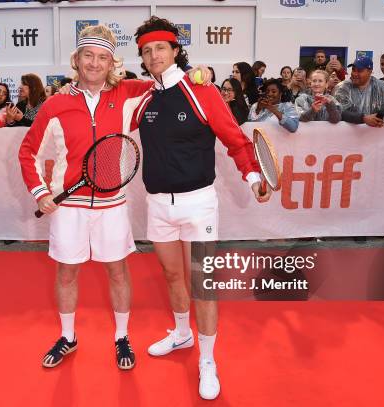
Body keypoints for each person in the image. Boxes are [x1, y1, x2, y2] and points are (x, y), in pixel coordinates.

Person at [132, 16, 271, 401]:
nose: (154, 54)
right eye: (146, 50)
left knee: (203, 284)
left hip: (198, 204)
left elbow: (235, 139)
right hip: (157, 204)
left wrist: (254, 177)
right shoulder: (142, 97)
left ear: (175, 50)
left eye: (160, 47)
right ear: (142, 58)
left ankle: (208, 360)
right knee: (172, 276)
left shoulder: (202, 91)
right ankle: (181, 334)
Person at [18, 24, 156, 373]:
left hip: (112, 204)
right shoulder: (55, 103)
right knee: (66, 274)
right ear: (76, 59)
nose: (95, 63)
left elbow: (166, 82)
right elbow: (27, 151)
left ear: (113, 63)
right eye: (88, 56)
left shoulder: (128, 93)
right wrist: (40, 192)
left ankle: (122, 336)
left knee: (118, 272)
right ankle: (68, 336)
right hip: (69, 206)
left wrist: (196, 76)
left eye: (103, 57)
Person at [335, 55, 384, 127]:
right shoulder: (343, 87)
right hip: (349, 134)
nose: (354, 74)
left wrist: (380, 118)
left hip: (374, 134)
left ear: (370, 72)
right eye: (353, 69)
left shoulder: (380, 86)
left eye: (359, 71)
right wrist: (363, 118)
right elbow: (340, 112)